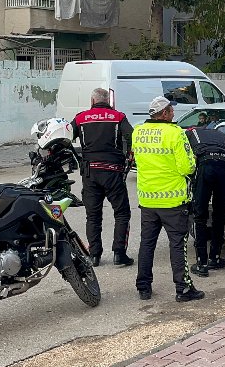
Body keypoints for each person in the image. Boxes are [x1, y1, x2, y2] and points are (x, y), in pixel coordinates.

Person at [132, 96, 204, 302]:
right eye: (171, 110)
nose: (173, 113)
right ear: (164, 113)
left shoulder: (138, 132)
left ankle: (143, 288)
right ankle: (183, 289)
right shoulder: (175, 133)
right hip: (173, 201)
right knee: (177, 245)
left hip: (147, 199)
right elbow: (187, 167)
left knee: (147, 244)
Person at [72, 88, 134, 267]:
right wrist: (129, 156)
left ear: (92, 101)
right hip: (113, 171)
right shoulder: (118, 117)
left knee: (92, 216)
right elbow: (131, 137)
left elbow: (67, 136)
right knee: (122, 213)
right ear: (109, 102)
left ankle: (94, 256)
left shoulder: (81, 118)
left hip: (90, 173)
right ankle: (119, 254)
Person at [186, 125, 225, 276]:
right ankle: (215, 259)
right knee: (219, 216)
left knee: (199, 216)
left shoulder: (190, 135)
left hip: (204, 167)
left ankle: (201, 264)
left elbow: (185, 161)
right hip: (224, 170)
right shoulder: (222, 135)